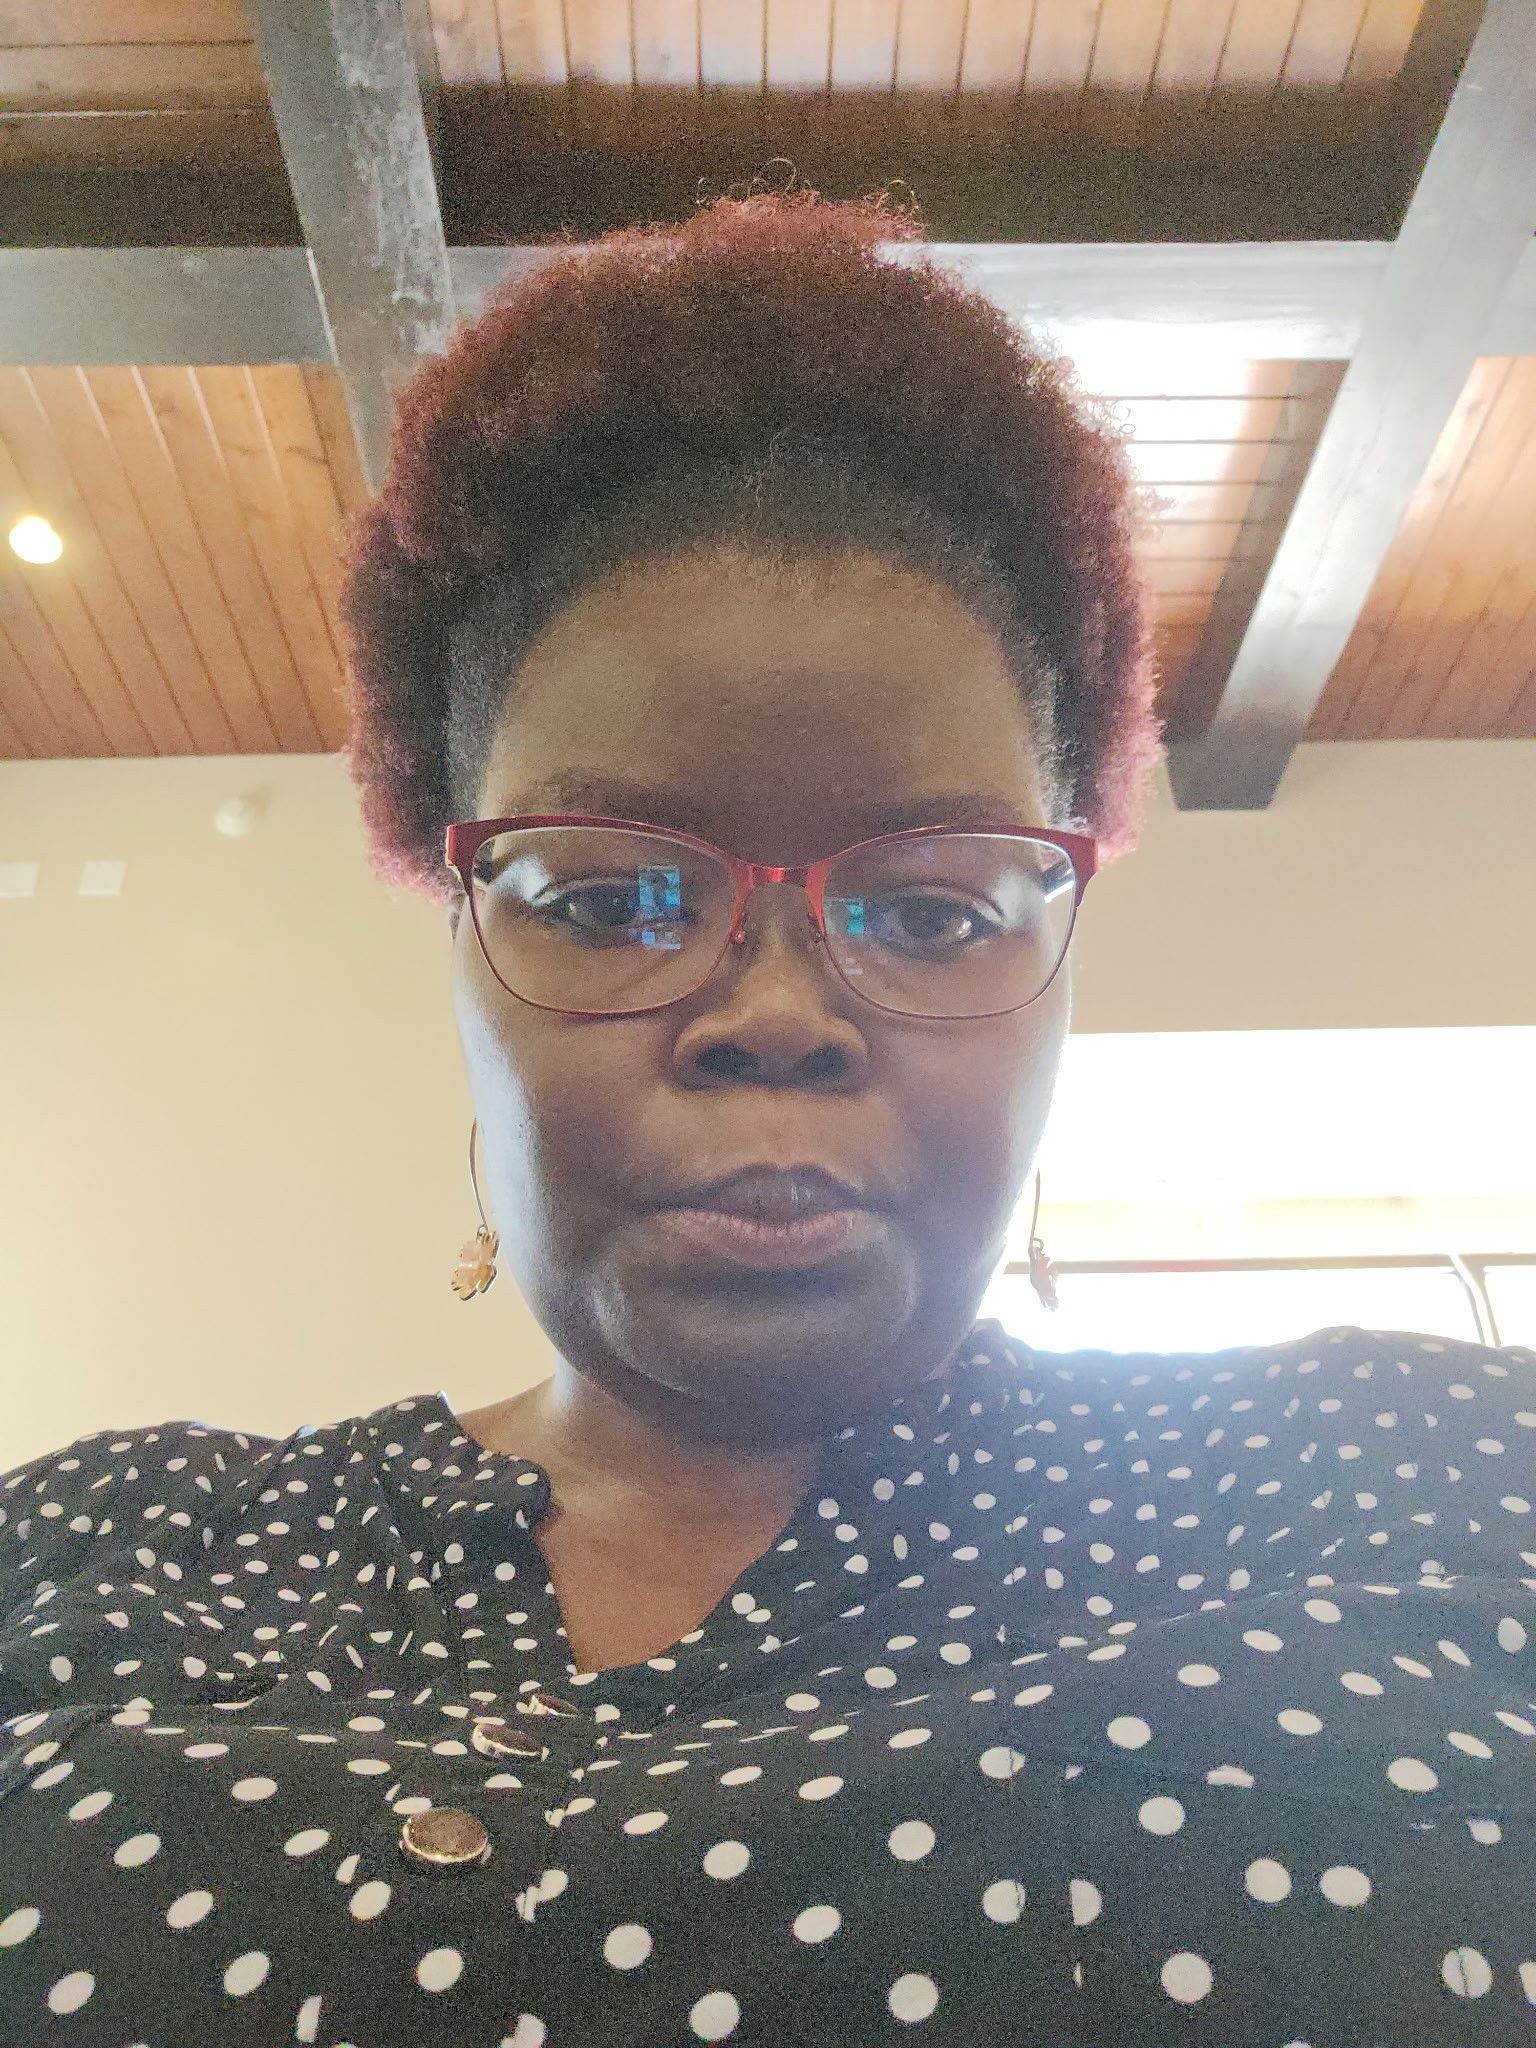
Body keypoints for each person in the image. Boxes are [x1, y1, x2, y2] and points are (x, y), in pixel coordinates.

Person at [2, 185, 1532, 2048]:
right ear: (465, 946)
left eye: (933, 911)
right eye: (611, 897)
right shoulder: (98, 1555)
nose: (780, 1015)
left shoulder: (1429, 1481)